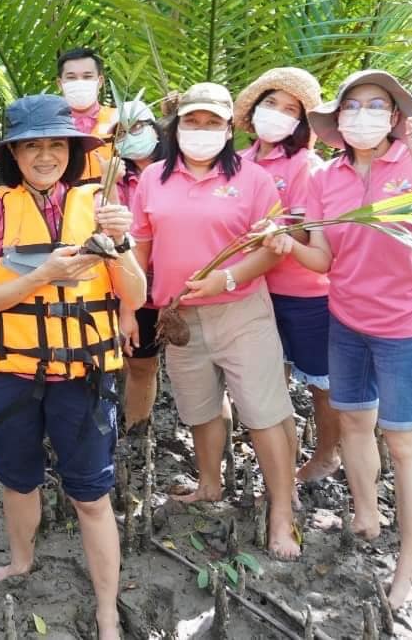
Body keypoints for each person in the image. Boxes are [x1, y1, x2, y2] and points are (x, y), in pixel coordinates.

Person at [0, 95, 147, 639]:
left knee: (90, 495)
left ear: (72, 150)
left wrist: (124, 244)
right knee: (18, 481)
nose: (45, 155)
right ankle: (20, 561)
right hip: (12, 372)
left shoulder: (101, 204)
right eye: (32, 145)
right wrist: (44, 273)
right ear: (13, 154)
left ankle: (107, 610)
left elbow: (135, 295)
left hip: (85, 376)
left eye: (56, 145)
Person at [273, 69, 412, 608]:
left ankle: (410, 563)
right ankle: (366, 511)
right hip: (346, 318)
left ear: (396, 117)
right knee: (354, 421)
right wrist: (284, 242)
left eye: (376, 105)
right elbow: (325, 259)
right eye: (351, 106)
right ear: (338, 119)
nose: (362, 115)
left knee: (403, 441)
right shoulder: (327, 178)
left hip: (407, 325)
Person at [128, 82, 299, 559]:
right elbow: (141, 247)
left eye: (212, 123)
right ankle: (209, 483)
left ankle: (281, 512)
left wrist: (225, 280)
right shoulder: (153, 178)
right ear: (176, 127)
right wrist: (130, 302)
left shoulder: (254, 179)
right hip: (179, 315)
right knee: (199, 406)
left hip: (240, 310)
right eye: (192, 122)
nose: (201, 131)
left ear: (228, 128)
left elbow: (271, 249)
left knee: (262, 413)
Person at [232, 67, 338, 482]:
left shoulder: (307, 165)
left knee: (320, 380)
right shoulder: (238, 162)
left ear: (302, 121)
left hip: (304, 291)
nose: (276, 113)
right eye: (270, 104)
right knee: (269, 378)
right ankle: (278, 463)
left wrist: (278, 231)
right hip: (252, 287)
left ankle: (328, 453)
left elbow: (313, 229)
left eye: (289, 109)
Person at [111, 99, 166, 430]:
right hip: (129, 283)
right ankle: (131, 427)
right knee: (136, 361)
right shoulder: (112, 179)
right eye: (121, 131)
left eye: (137, 128)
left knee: (148, 366)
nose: (130, 136)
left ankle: (138, 431)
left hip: (174, 283)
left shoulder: (178, 171)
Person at [57, 47, 117, 186]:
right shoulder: (51, 127)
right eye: (71, 77)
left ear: (100, 81)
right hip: (67, 202)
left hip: (114, 200)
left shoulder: (119, 119)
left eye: (87, 76)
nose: (79, 82)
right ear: (60, 84)